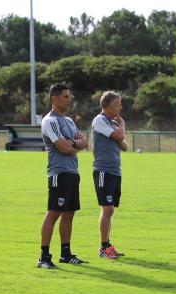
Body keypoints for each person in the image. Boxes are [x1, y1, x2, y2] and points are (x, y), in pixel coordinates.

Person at [38, 83, 88, 269]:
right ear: (55, 99)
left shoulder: (69, 121)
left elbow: (83, 142)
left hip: (73, 173)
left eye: (69, 96)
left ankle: (65, 254)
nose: (69, 99)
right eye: (66, 96)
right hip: (58, 173)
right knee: (53, 213)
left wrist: (72, 143)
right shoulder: (50, 121)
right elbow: (64, 148)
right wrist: (74, 145)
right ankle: (43, 257)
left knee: (69, 214)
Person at [91, 91, 128, 259]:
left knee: (110, 210)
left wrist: (118, 127)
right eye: (118, 104)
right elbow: (121, 136)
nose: (121, 107)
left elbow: (124, 146)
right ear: (109, 106)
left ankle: (107, 246)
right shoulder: (100, 120)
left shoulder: (111, 123)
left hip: (114, 170)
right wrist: (122, 124)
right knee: (107, 209)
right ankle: (103, 248)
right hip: (103, 170)